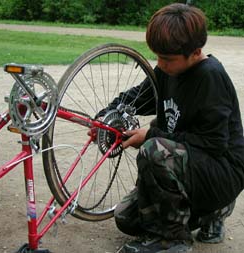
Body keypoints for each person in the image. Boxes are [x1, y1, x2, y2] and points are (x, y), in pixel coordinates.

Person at [98, 3, 244, 253]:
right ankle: (208, 214)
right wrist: (106, 118)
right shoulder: (168, 69)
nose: (160, 64)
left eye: (166, 59)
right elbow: (138, 97)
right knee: (126, 219)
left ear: (196, 51)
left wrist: (150, 135)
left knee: (155, 149)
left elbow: (213, 144)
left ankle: (172, 239)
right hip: (194, 164)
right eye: (157, 57)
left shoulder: (210, 77)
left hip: (222, 171)